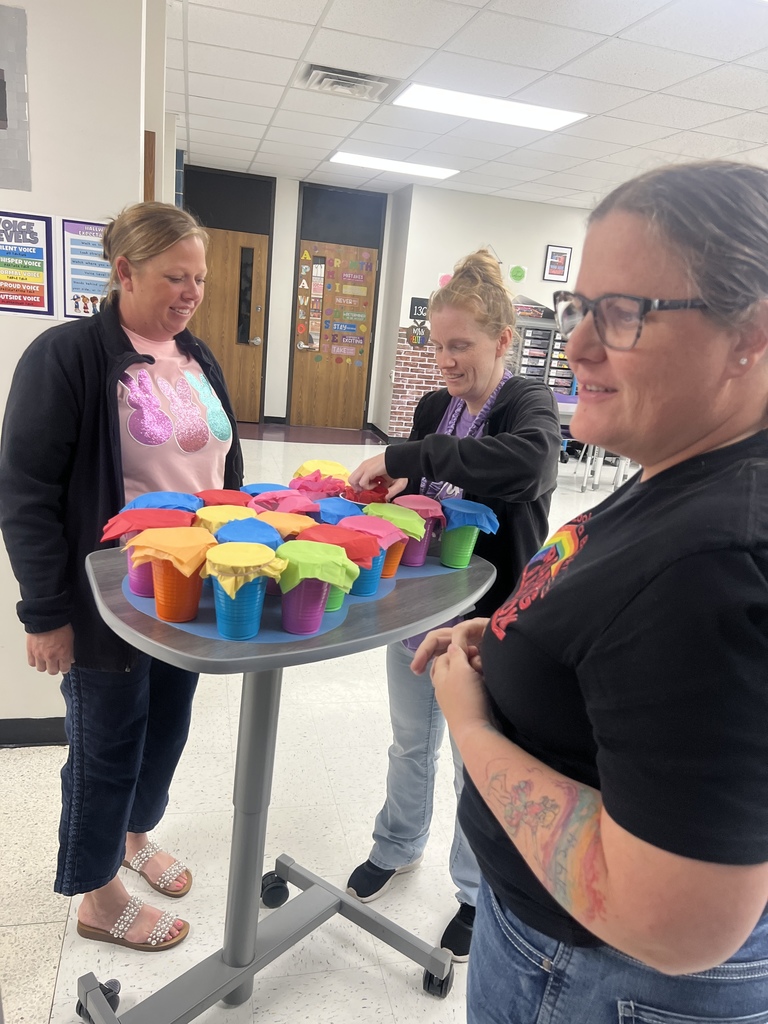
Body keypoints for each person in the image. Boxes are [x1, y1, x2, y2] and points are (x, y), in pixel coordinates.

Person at [416, 160, 768, 1022]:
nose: (574, 345)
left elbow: (675, 924)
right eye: (581, 309)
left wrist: (467, 718)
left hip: (591, 977)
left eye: (624, 313)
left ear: (751, 336)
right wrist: (504, 635)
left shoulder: (714, 558)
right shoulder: (687, 468)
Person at [0, 202, 243, 952]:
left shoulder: (196, 357)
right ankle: (97, 894)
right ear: (124, 271)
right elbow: (26, 489)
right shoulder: (68, 355)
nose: (191, 291)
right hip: (112, 598)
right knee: (107, 743)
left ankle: (134, 835)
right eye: (175, 276)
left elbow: (218, 471)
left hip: (191, 590)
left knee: (164, 729)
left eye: (199, 278)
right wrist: (45, 611)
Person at [344, 250, 562, 960]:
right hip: (416, 609)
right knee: (411, 741)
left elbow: (526, 466)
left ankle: (476, 891)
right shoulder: (437, 408)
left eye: (461, 345)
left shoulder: (528, 404)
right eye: (437, 345)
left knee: (479, 759)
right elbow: (424, 490)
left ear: (502, 341)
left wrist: (414, 455)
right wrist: (390, 496)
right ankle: (396, 844)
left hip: (488, 621)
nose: (446, 360)